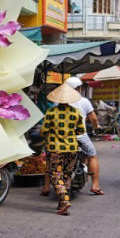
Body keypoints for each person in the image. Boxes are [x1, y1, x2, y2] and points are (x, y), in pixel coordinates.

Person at [41, 82, 85, 216]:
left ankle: (65, 200)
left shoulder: (51, 112)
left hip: (55, 149)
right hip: (72, 148)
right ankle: (61, 204)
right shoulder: (76, 112)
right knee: (66, 175)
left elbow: (44, 130)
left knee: (55, 175)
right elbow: (80, 130)